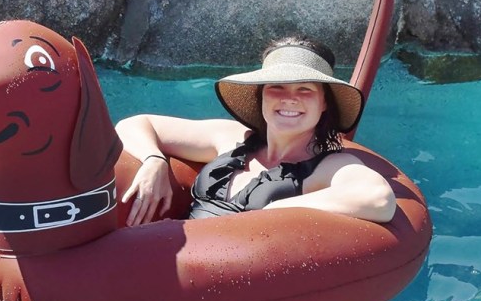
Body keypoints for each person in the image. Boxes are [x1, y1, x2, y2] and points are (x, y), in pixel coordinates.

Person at [115, 37, 397, 227]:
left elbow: (378, 199)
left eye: (305, 90)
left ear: (324, 103)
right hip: (171, 259)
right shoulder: (230, 137)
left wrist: (271, 212)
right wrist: (154, 160)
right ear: (261, 96)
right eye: (277, 87)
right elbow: (135, 124)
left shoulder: (329, 166)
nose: (289, 98)